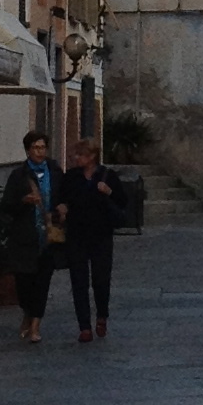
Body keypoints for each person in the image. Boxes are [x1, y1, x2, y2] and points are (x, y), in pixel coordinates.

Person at [1, 129, 62, 345]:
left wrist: (62, 208)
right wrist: (22, 201)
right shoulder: (18, 175)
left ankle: (35, 324)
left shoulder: (55, 171)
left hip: (47, 236)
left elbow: (62, 196)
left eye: (43, 147)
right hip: (24, 237)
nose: (40, 151)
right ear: (28, 150)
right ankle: (27, 312)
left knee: (42, 282)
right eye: (36, 148)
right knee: (24, 283)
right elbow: (6, 205)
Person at [61, 137, 120, 344]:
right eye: (76, 154)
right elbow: (61, 198)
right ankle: (84, 326)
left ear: (92, 156)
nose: (77, 158)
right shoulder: (71, 177)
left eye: (81, 155)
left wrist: (109, 191)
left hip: (101, 235)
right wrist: (61, 207)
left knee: (101, 280)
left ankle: (102, 315)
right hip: (76, 235)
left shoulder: (108, 176)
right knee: (79, 281)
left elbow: (123, 201)